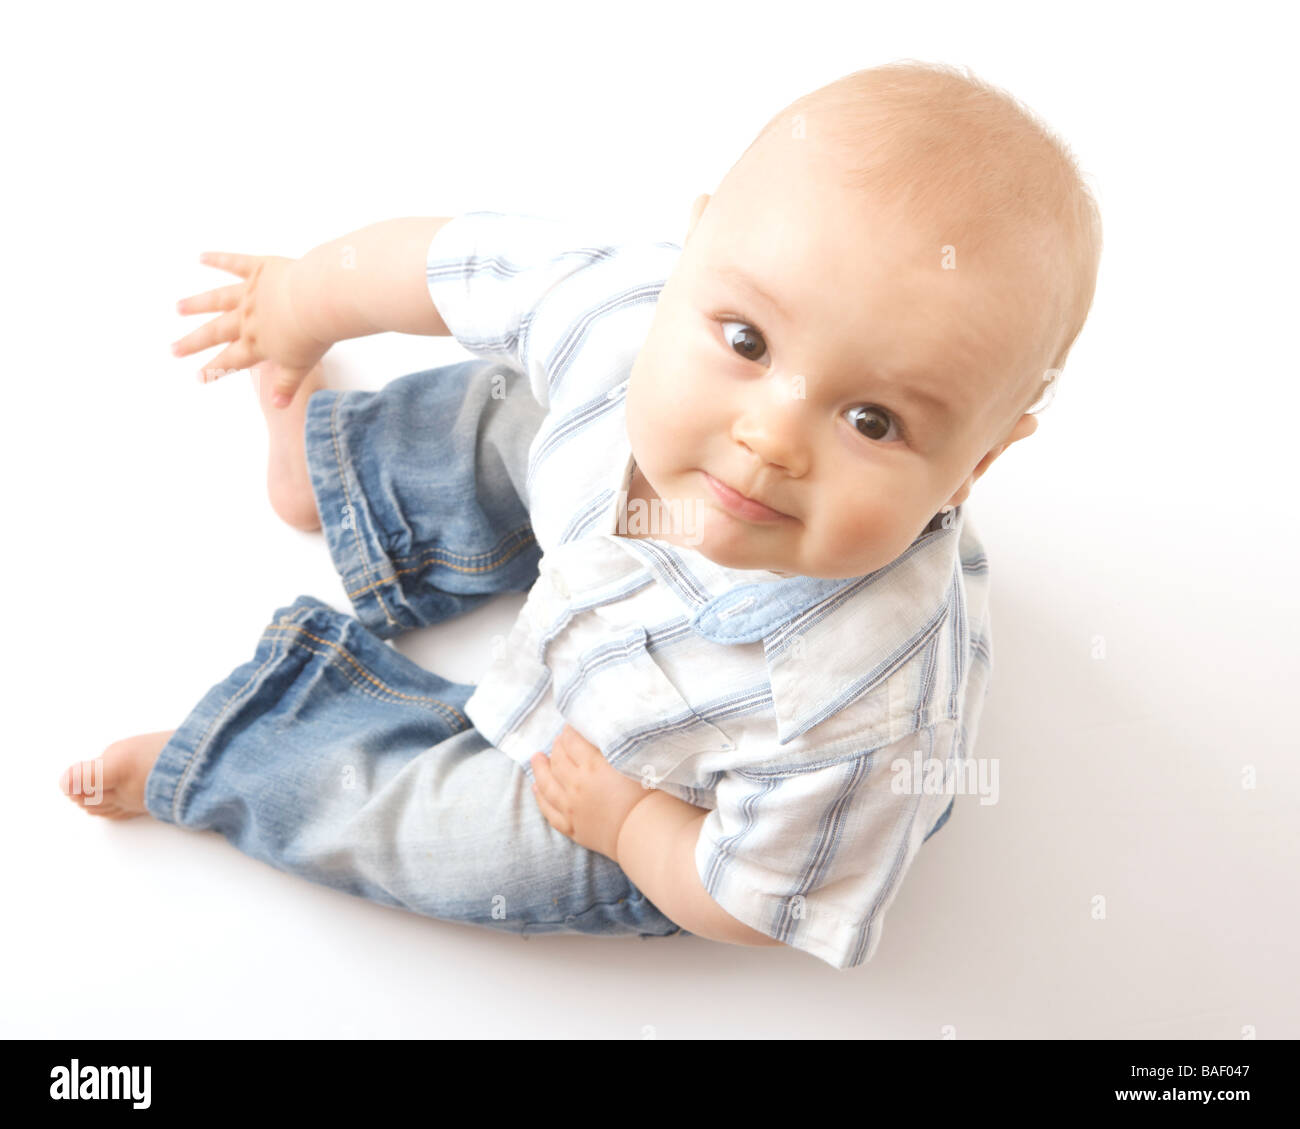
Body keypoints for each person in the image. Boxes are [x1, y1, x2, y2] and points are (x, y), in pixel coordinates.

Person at [59, 61, 1101, 969]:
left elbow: (754, 900)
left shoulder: (865, 714)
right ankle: (342, 479)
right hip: (600, 527)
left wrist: (636, 827)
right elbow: (443, 265)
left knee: (451, 842)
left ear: (976, 462)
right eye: (745, 342)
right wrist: (294, 300)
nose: (770, 438)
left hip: (644, 775)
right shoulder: (629, 310)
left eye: (873, 419)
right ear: (690, 258)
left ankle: (236, 757)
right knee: (513, 410)